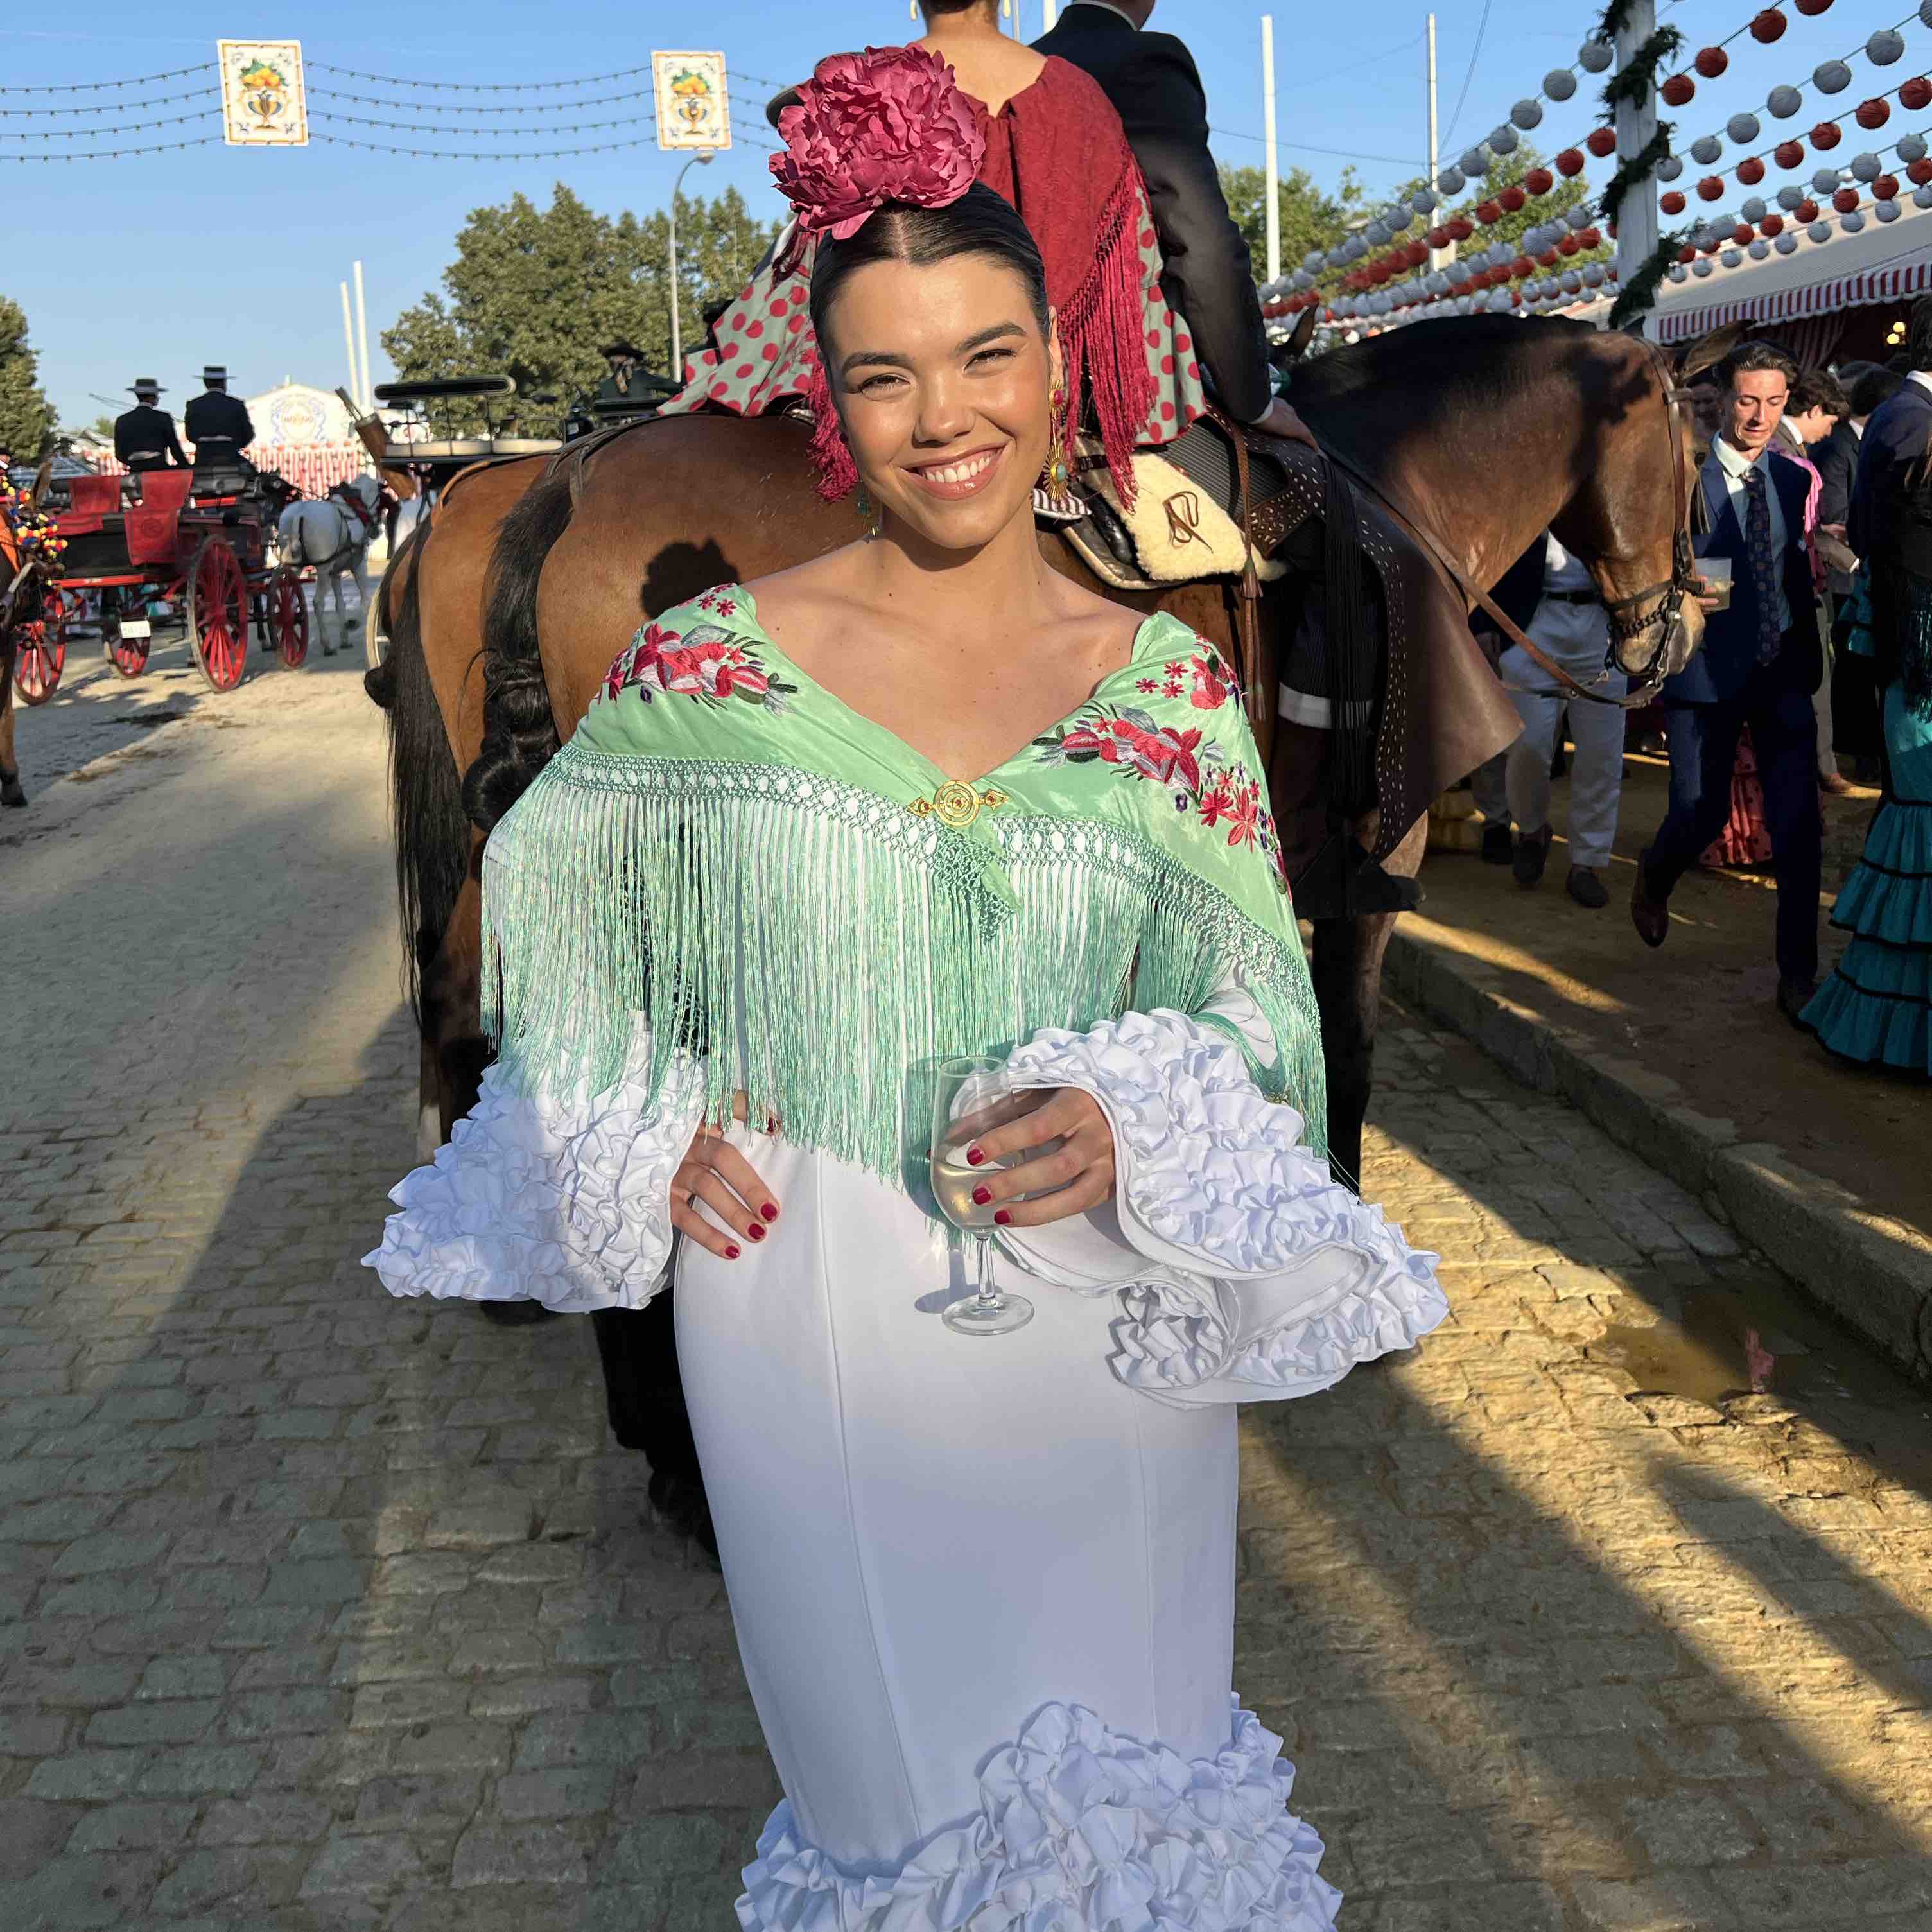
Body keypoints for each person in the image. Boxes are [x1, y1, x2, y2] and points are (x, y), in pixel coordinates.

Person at [366, 49, 1441, 1924]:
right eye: (883, 371)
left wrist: (1139, 1110)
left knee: (1152, 1816)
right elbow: (548, 894)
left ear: (1055, 359)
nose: (943, 415)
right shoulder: (705, 669)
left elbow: (1251, 1004)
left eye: (984, 357)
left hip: (1109, 1325)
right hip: (813, 1323)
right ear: (827, 404)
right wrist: (631, 1113)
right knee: (895, 1839)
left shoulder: (1170, 689)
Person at [1632, 341, 1825, 1024]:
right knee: (1698, 812)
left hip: (1783, 677)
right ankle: (1655, 877)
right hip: (1706, 676)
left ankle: (1798, 975)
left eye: (1774, 402)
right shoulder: (1684, 480)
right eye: (1749, 400)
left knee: (1801, 828)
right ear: (1722, 399)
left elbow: (1792, 569)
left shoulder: (1795, 479)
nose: (1761, 416)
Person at [1032, 0, 1306, 448]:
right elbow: (1203, 243)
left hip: (1015, 371)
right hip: (1127, 390)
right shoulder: (1143, 59)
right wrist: (1253, 397)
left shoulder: (1020, 66)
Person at [1804, 294, 1932, 1070]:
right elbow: (1903, 541)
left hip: (1914, 649)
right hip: (1921, 655)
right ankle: (1898, 1031)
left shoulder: (1906, 412)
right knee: (1922, 818)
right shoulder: (1912, 417)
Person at [1486, 532, 1626, 906]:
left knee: (1601, 756)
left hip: (1605, 625)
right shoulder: (1529, 476)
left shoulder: (1615, 479)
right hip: (1533, 621)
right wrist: (1489, 625)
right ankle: (1532, 831)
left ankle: (1587, 864)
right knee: (1526, 746)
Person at [1822, 367, 1904, 785]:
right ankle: (1861, 749)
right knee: (1854, 669)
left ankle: (1869, 748)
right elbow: (1833, 511)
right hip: (1847, 575)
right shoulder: (1840, 447)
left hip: (1864, 571)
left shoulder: (1863, 441)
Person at [1779, 367, 1851, 792]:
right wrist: (1849, 560)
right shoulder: (1790, 457)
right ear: (1814, 409)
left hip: (1803, 583)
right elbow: (1802, 536)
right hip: (1800, 589)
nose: (1829, 432)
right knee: (1812, 683)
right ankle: (1819, 766)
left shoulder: (1790, 450)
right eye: (1829, 420)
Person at [183, 365, 256, 478]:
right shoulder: (236, 404)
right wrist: (234, 445)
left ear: (205, 383)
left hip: (204, 456)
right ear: (223, 383)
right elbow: (249, 434)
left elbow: (190, 435)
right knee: (253, 475)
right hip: (230, 455)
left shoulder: (193, 404)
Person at [111, 378, 187, 474]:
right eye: (157, 395)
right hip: (158, 469)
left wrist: (134, 463)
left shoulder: (122, 420)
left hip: (136, 471)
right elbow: (174, 447)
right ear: (153, 397)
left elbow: (119, 454)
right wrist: (185, 465)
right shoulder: (163, 417)